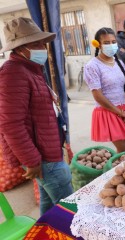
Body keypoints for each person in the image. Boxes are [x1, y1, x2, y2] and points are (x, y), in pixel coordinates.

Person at [0, 17, 73, 215]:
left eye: (42, 43)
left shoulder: (30, 69)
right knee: (69, 209)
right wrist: (31, 160)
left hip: (47, 151)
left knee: (49, 205)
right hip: (43, 157)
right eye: (35, 44)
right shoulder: (13, 73)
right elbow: (10, 124)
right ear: (19, 48)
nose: (42, 47)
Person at [84, 27, 125, 153]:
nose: (111, 45)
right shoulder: (92, 66)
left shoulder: (119, 62)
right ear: (98, 44)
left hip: (124, 109)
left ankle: (120, 170)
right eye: (106, 43)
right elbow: (98, 95)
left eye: (113, 42)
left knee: (123, 147)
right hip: (108, 112)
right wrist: (120, 112)